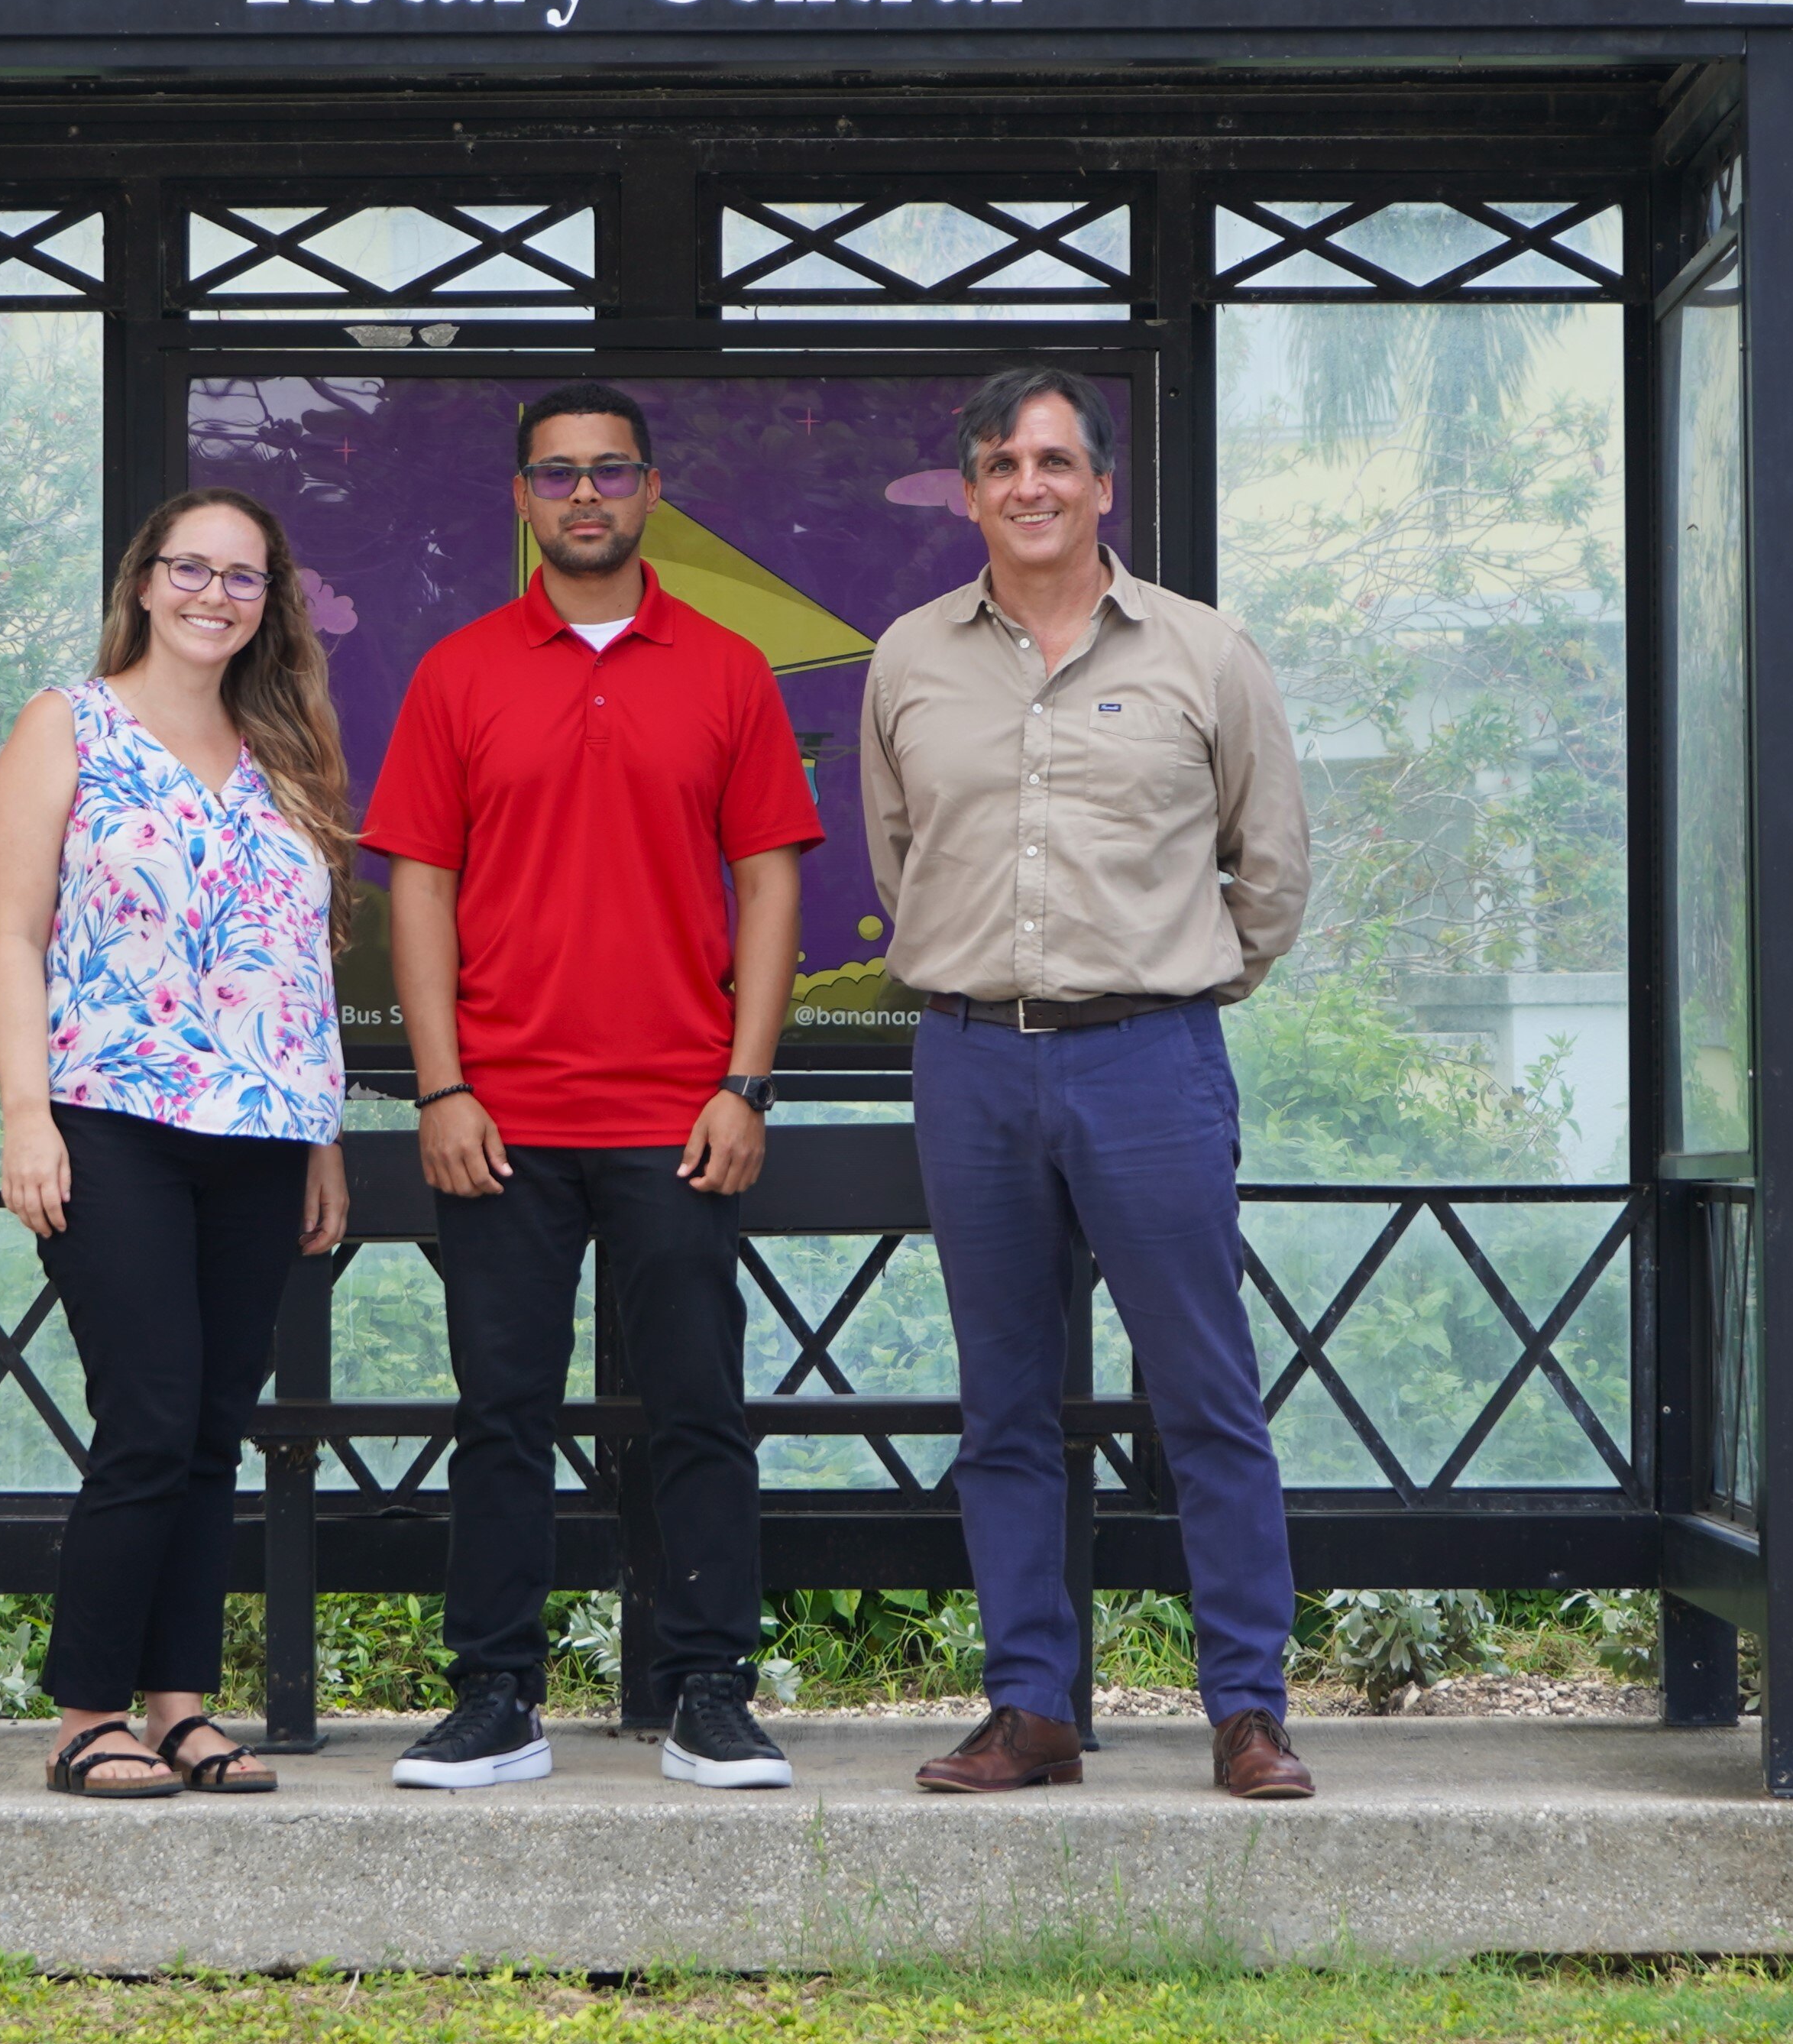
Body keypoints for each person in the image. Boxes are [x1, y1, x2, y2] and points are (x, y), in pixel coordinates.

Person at [858, 364, 1320, 1803]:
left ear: (1104, 485)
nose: (1030, 486)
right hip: (973, 1061)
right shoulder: (909, 660)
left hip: (1150, 1060)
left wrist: (1174, 985)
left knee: (1203, 1393)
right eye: (1001, 464)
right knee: (1002, 1402)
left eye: (1055, 461)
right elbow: (900, 858)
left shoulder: (1204, 652)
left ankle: (1248, 1712)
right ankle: (1031, 1708)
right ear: (971, 492)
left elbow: (1271, 867)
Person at [364, 381, 821, 1793]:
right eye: (557, 473)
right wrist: (441, 1091)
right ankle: (496, 1697)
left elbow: (770, 884)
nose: (583, 495)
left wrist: (747, 1084)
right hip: (500, 1121)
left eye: (610, 471)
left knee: (699, 1410)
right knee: (501, 1415)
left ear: (650, 491)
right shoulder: (459, 673)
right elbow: (420, 889)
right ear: (521, 497)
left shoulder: (731, 670)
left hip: (681, 1117)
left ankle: (709, 1693)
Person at [0, 486, 355, 1798]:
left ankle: (180, 1707)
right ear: (144, 581)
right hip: (110, 1118)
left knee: (210, 1425)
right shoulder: (67, 724)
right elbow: (13, 935)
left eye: (243, 577)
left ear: (269, 602)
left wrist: (321, 1135)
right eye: (191, 568)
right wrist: (27, 1114)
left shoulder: (286, 750)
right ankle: (87, 1714)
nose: (214, 595)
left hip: (263, 1131)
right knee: (145, 1415)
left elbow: (301, 963)